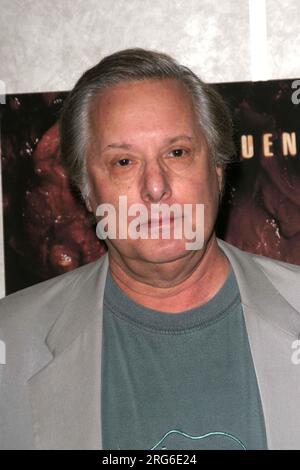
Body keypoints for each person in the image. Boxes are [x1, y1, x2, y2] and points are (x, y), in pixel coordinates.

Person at [0, 48, 300, 450]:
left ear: (217, 170)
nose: (155, 187)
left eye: (177, 153)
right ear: (87, 192)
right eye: (123, 162)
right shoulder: (11, 341)